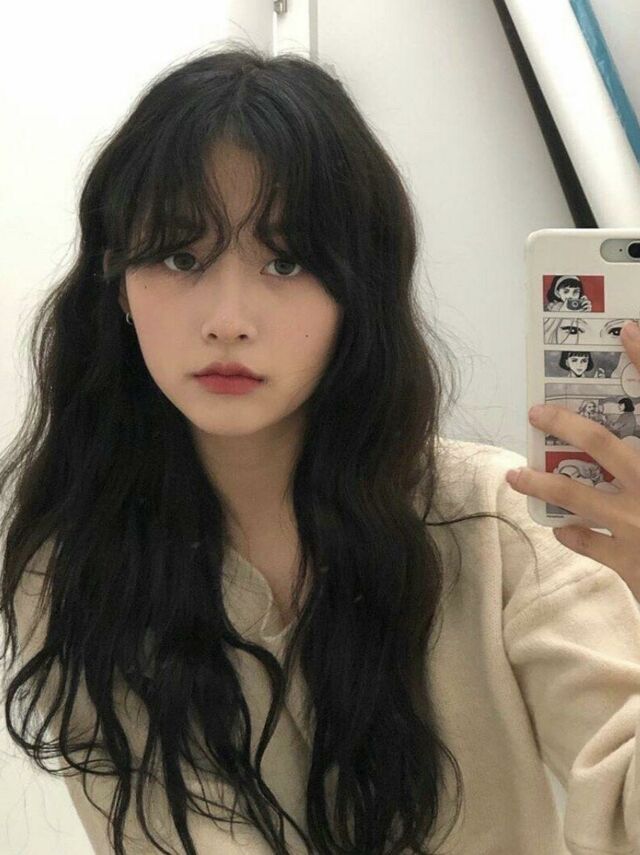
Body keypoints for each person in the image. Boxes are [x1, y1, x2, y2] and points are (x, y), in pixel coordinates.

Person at [3, 40, 640, 855]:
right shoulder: (76, 569)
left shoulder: (499, 523)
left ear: (358, 290)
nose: (228, 318)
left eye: (286, 260)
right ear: (116, 282)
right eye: (180, 255)